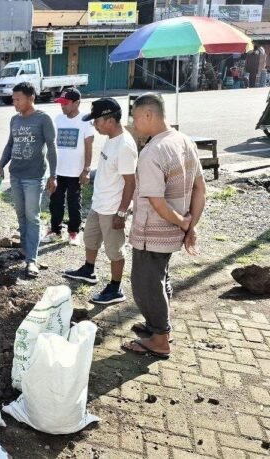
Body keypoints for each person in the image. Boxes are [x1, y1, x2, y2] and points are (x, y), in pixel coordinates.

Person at [121, 93, 206, 359]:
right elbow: (200, 188)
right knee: (160, 278)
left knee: (146, 284)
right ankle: (158, 327)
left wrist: (183, 222)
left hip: (152, 232)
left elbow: (156, 201)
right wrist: (190, 225)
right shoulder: (184, 140)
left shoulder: (152, 152)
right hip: (172, 232)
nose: (133, 124)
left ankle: (159, 339)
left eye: (134, 117)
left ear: (148, 114)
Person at [64, 98, 137, 304]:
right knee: (91, 238)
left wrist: (122, 213)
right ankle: (88, 270)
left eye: (96, 121)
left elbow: (131, 183)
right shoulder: (111, 138)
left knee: (114, 249)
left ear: (110, 120)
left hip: (113, 208)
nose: (94, 125)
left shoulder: (124, 146)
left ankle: (115, 288)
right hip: (100, 202)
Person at [0, 82, 57, 277]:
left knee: (32, 217)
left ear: (31, 98)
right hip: (16, 175)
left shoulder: (43, 119)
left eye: (18, 99)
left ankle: (32, 260)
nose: (15, 103)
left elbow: (52, 148)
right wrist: (0, 166)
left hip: (34, 177)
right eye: (13, 99)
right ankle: (24, 249)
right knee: (21, 215)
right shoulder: (15, 120)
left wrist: (53, 176)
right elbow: (10, 145)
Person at [42, 87, 94, 245]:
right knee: (55, 201)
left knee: (74, 202)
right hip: (58, 170)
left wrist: (86, 170)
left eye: (65, 103)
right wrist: (50, 171)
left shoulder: (86, 120)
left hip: (76, 172)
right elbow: (51, 146)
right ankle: (55, 230)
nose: (62, 106)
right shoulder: (58, 119)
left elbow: (89, 146)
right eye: (61, 103)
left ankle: (73, 232)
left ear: (76, 103)